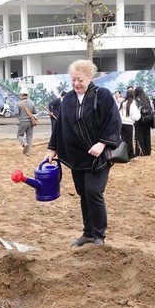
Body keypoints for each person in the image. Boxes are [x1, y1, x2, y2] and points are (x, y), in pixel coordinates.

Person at [45, 59, 121, 247]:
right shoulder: (68, 99)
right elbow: (60, 125)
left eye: (80, 79)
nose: (76, 84)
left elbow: (113, 122)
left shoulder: (102, 95)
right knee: (83, 193)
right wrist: (53, 148)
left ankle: (99, 235)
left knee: (94, 191)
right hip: (76, 156)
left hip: (98, 155)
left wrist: (102, 144)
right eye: (73, 80)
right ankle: (87, 233)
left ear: (90, 77)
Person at [120, 90, 140, 160]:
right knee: (129, 140)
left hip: (121, 124)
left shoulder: (122, 103)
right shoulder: (132, 104)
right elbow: (135, 116)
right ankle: (130, 155)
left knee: (123, 140)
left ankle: (123, 155)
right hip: (129, 124)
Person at [133, 86, 153, 156]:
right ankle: (148, 151)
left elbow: (135, 110)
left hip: (139, 120)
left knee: (139, 136)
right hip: (148, 120)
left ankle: (140, 152)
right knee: (147, 135)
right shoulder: (147, 98)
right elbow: (151, 108)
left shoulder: (136, 100)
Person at [16, 87, 37, 156]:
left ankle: (24, 143)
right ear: (27, 95)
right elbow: (35, 112)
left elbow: (17, 113)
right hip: (31, 122)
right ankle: (28, 152)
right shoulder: (32, 103)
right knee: (29, 136)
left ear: (21, 95)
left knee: (19, 135)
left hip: (22, 122)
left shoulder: (19, 104)